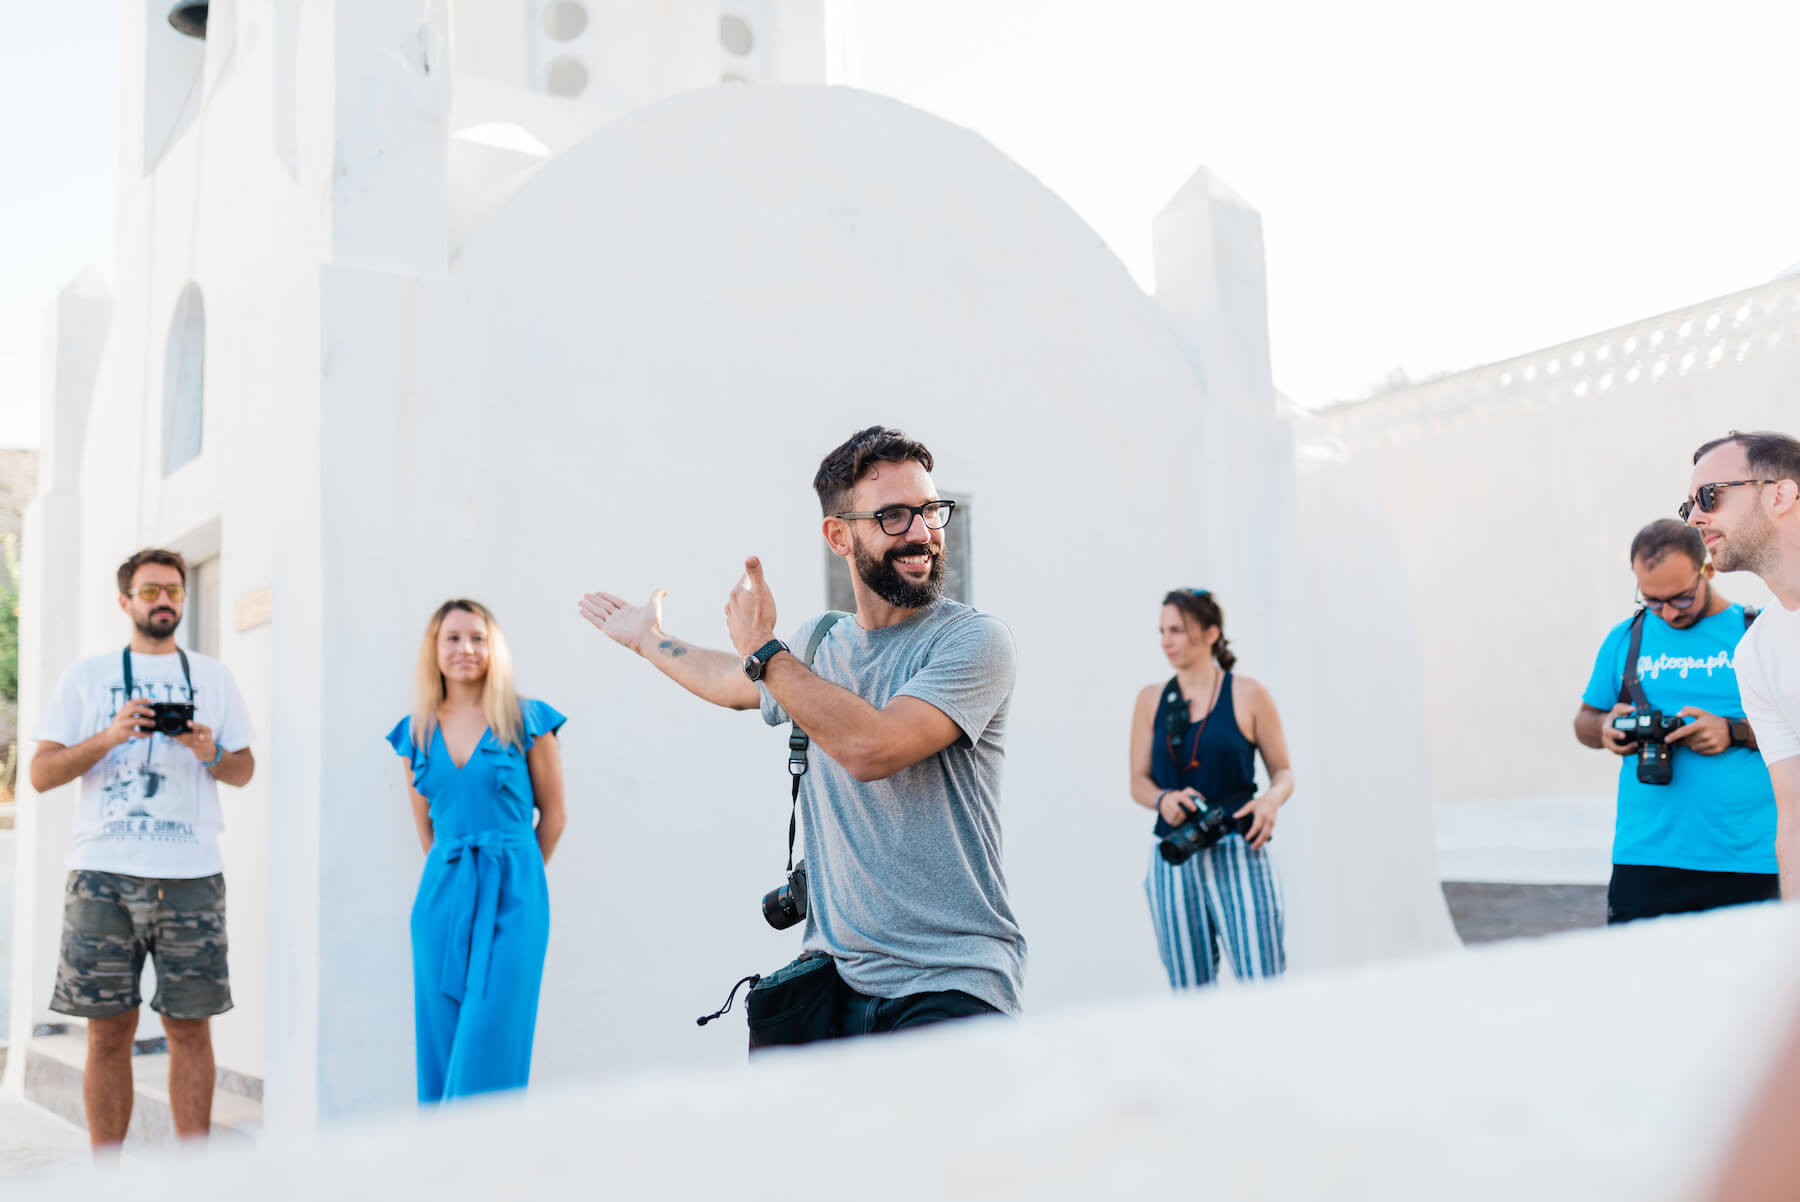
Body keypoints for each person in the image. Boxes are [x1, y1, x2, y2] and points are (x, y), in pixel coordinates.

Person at [579, 425, 1023, 1040]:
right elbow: (731, 679)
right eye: (893, 516)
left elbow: (874, 747)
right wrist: (647, 638)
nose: (922, 532)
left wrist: (764, 649)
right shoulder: (818, 644)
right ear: (839, 535)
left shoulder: (973, 641)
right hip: (833, 991)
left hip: (950, 988)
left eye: (929, 511)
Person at [27, 548, 255, 1148]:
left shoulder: (213, 676)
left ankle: (194, 1179)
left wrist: (207, 751)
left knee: (190, 1029)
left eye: (175, 591)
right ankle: (108, 1180)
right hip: (102, 875)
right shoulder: (85, 677)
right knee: (107, 1032)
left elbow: (243, 770)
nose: (165, 601)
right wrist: (109, 735)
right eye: (152, 590)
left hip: (192, 875)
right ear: (125, 600)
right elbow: (42, 774)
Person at [385, 599, 567, 1102]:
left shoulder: (527, 719)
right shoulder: (415, 732)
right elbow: (427, 832)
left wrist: (519, 874)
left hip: (515, 898)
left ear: (494, 648)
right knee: (441, 1048)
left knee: (491, 1042)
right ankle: (440, 1173)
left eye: (478, 638)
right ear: (435, 649)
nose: (466, 648)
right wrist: (459, 879)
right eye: (453, 638)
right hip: (441, 900)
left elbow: (554, 817)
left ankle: (487, 1169)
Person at [1572, 519, 1775, 922]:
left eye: (1680, 599)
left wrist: (1733, 731)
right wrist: (1606, 729)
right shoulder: (1624, 638)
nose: (1666, 613)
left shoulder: (1760, 633)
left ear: (1709, 570)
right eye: (1651, 600)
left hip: (1750, 858)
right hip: (1645, 858)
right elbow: (1585, 721)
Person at [1128, 588, 1293, 989]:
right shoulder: (1151, 699)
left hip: (1238, 847)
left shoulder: (1249, 693)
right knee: (1190, 995)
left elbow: (1283, 772)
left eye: (1178, 631)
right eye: (1162, 630)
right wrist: (1164, 799)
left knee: (1263, 988)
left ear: (1211, 634)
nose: (1166, 641)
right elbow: (1138, 782)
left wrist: (1269, 803)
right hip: (1174, 854)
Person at [1686, 430, 1800, 897]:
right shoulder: (1754, 653)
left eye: (1708, 496)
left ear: (1781, 495)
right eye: (1688, 506)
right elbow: (1794, 821)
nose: (1694, 518)